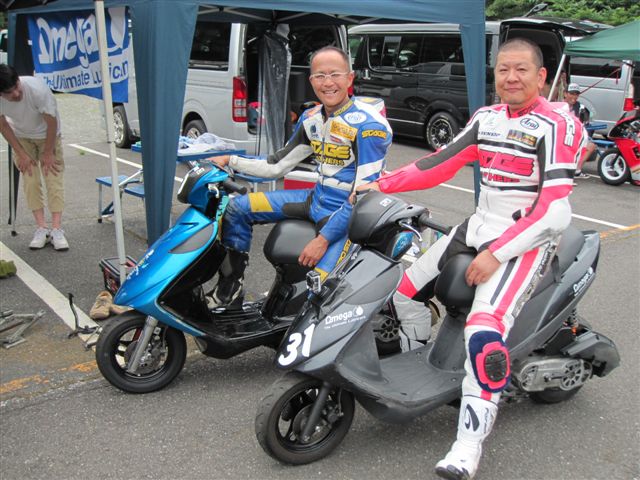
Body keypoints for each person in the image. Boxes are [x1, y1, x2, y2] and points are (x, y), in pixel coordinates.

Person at [358, 38, 585, 479]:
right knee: (400, 293)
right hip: (476, 225)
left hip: (525, 240)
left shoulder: (556, 124)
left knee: (483, 334)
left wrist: (496, 254)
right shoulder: (487, 118)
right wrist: (381, 185)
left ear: (541, 76)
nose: (511, 78)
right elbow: (439, 162)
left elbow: (555, 212)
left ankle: (467, 447)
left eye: (521, 69)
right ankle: (421, 367)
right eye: (503, 70)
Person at [207, 46, 392, 307]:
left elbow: (363, 196)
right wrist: (230, 160)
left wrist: (322, 240)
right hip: (314, 199)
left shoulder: (369, 125)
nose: (328, 83)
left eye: (335, 74)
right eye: (320, 76)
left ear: (350, 78)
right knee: (236, 208)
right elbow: (277, 166)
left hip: (346, 214)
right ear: (311, 80)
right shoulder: (311, 117)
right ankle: (229, 291)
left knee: (319, 290)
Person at [0, 64, 69, 250]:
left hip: (49, 135)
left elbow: (52, 123)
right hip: (22, 136)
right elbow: (3, 125)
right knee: (30, 179)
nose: (16, 93)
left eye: (16, 86)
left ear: (18, 79)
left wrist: (48, 152)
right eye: (9, 93)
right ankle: (41, 228)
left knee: (53, 176)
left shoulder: (37, 90)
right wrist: (20, 153)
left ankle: (57, 229)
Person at [564, 82, 596, 178]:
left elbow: (586, 125)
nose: (574, 96)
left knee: (591, 145)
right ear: (565, 93)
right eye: (571, 93)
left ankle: (577, 170)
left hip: (576, 136)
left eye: (576, 94)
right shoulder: (558, 105)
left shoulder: (581, 108)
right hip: (562, 135)